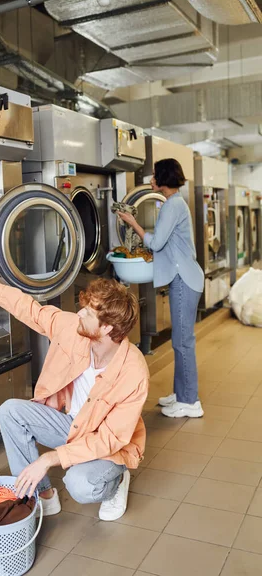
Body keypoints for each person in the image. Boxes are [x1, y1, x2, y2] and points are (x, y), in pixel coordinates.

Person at [0, 253, 149, 521]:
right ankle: (43, 495)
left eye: (88, 313)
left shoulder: (133, 372)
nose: (79, 313)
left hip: (107, 445)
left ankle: (115, 484)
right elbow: (28, 307)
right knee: (11, 411)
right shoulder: (74, 329)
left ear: (106, 328)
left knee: (81, 484)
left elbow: (108, 440)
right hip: (71, 425)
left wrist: (48, 459)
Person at [118, 158, 204, 419]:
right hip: (186, 277)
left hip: (184, 280)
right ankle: (181, 394)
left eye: (155, 174)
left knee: (182, 342)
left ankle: (190, 402)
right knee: (181, 341)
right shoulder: (175, 204)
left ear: (163, 177)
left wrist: (132, 222)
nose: (151, 178)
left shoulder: (172, 205)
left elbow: (156, 243)